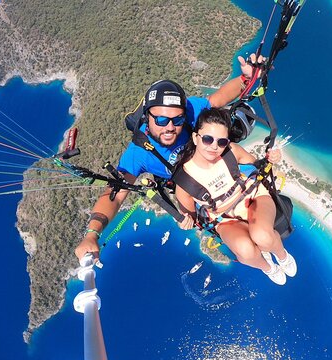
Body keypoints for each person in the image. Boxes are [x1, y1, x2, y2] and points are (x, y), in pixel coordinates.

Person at [75, 55, 263, 260]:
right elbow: (115, 193)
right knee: (240, 235)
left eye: (177, 120)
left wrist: (245, 79)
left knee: (260, 202)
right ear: (147, 117)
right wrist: (92, 234)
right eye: (162, 120)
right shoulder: (139, 153)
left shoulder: (189, 110)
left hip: (219, 169)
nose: (170, 127)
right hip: (195, 191)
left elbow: (217, 100)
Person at [173, 108, 296, 285]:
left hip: (252, 197)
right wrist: (184, 222)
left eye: (221, 141)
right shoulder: (185, 180)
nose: (214, 147)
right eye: (207, 139)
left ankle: (282, 256)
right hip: (224, 219)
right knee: (245, 251)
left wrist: (271, 157)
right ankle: (268, 267)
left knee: (263, 237)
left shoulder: (231, 151)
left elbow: (257, 165)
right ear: (195, 138)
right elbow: (190, 216)